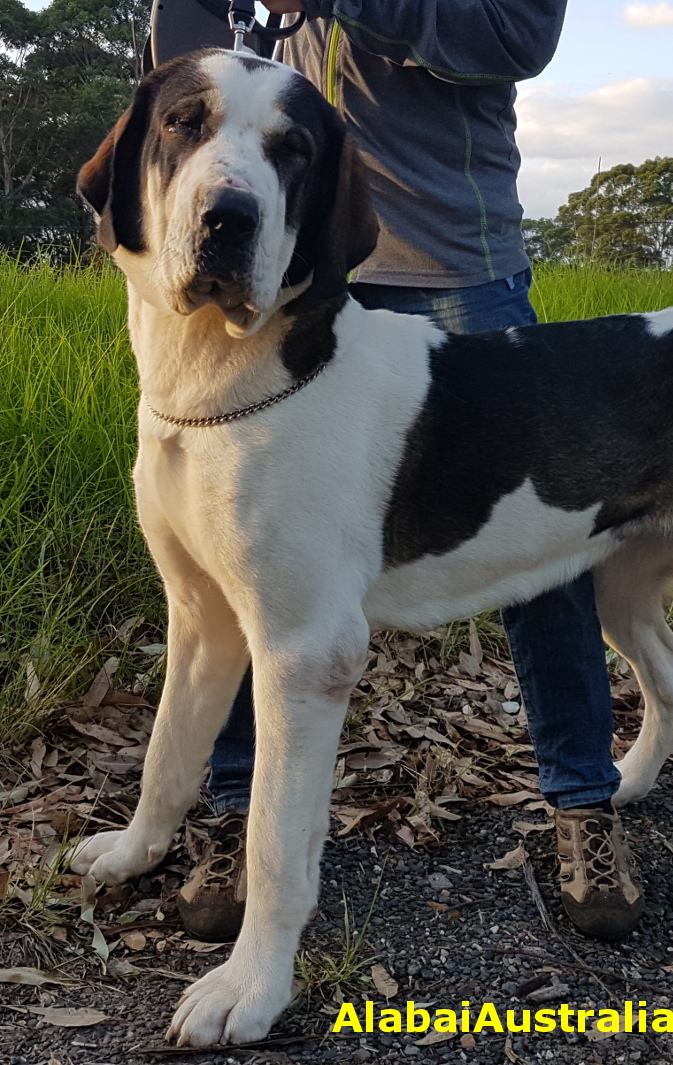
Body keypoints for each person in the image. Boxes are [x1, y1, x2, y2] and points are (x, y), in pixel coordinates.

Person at [177, 0, 644, 944]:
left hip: (455, 265)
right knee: (243, 551)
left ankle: (584, 802)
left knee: (548, 541)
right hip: (295, 257)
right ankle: (237, 812)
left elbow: (515, 38)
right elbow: (191, 59)